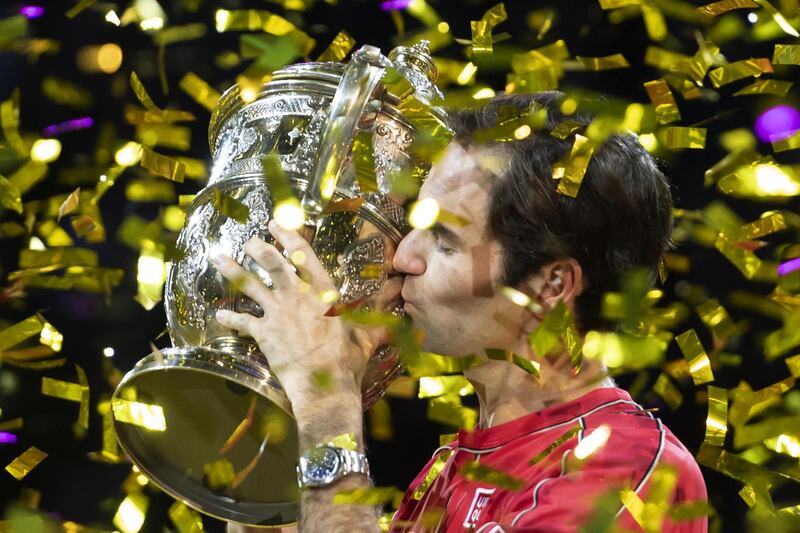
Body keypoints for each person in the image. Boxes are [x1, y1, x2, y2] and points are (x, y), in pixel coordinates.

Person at [217, 92, 708, 532]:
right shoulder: (453, 466)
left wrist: (328, 404)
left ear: (550, 285)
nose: (403, 257)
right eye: (416, 225)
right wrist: (280, 398)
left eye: (444, 241)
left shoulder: (623, 471)